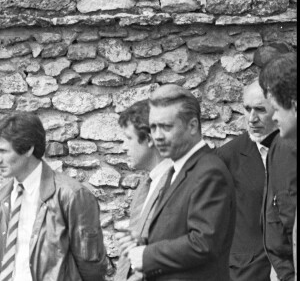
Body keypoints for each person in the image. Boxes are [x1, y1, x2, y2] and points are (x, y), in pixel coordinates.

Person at [127, 84, 236, 281]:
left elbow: (203, 243)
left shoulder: (209, 171)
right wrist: (143, 243)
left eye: (166, 127)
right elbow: (176, 231)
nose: (157, 136)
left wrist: (147, 255)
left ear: (192, 126)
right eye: (153, 127)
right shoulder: (178, 169)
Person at [0, 112, 107, 281]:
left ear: (28, 149)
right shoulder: (4, 196)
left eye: (3, 151)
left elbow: (91, 267)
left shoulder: (71, 196)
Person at [216, 79, 278, 281]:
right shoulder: (227, 156)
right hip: (248, 272)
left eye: (260, 109)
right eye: (247, 109)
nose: (251, 118)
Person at [114, 100, 172, 281]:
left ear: (148, 139)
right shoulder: (146, 184)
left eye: (129, 138)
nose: (124, 146)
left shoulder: (175, 184)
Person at [259, 52, 297, 281]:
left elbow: (286, 211)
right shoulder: (282, 143)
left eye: (276, 108)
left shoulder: (285, 146)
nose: (272, 118)